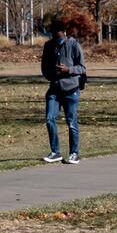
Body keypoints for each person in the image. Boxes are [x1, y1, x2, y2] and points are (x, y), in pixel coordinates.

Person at [40, 20, 86, 164]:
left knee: (71, 122)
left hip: (71, 89)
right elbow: (44, 67)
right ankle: (55, 152)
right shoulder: (48, 46)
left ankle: (74, 153)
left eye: (58, 35)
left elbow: (82, 68)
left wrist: (68, 70)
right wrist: (51, 75)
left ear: (64, 33)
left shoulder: (74, 45)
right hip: (54, 88)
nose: (56, 37)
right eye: (53, 35)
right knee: (49, 118)